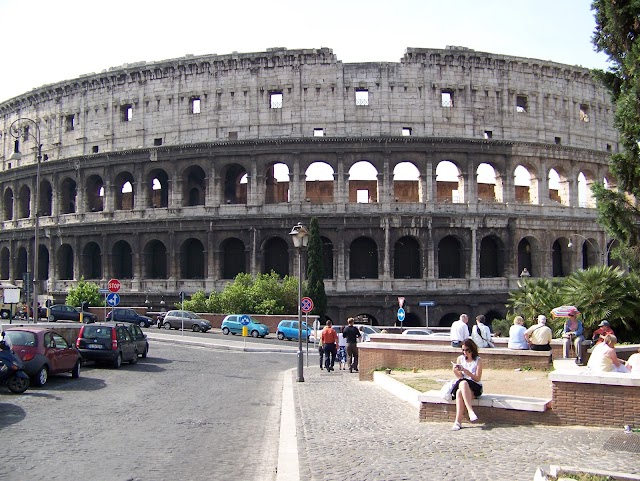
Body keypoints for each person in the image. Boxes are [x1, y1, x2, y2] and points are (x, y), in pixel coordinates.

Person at [451, 339, 483, 431]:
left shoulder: (478, 360)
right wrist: (455, 370)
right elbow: (460, 377)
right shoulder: (460, 359)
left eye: (467, 350)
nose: (465, 352)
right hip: (463, 384)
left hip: (475, 386)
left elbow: (477, 378)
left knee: (462, 387)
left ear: (472, 349)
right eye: (463, 350)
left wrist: (465, 371)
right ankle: (464, 416)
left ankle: (459, 420)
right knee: (460, 390)